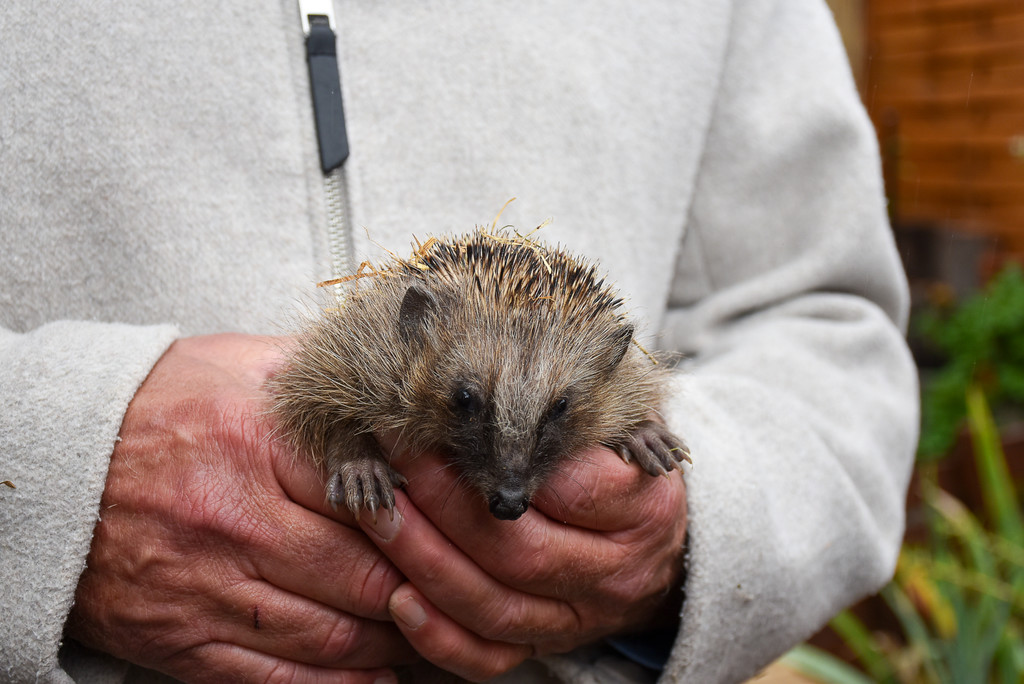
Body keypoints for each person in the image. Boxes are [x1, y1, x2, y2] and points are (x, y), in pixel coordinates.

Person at [0, 0, 919, 682]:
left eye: (561, 415)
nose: (510, 487)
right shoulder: (379, 350)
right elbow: (313, 395)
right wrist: (45, 476)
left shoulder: (610, 375)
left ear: (598, 380)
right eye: (469, 406)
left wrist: (704, 517)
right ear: (416, 340)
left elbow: (825, 328)